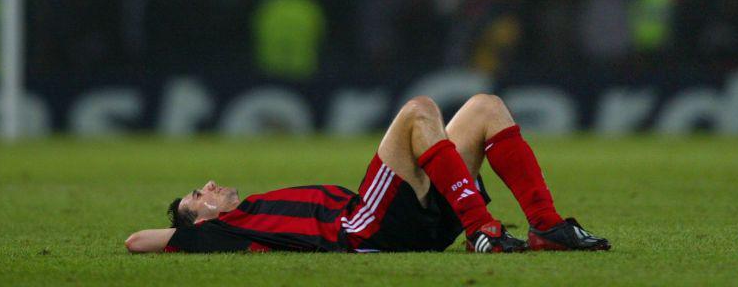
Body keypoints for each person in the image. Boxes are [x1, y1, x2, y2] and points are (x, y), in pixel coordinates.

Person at [125, 94, 610, 254]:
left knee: (486, 106)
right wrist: (189, 230)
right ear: (204, 222)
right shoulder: (228, 231)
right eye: (198, 196)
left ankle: (546, 226)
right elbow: (136, 241)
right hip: (366, 225)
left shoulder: (253, 209)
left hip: (417, 221)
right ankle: (481, 229)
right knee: (419, 111)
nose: (207, 187)